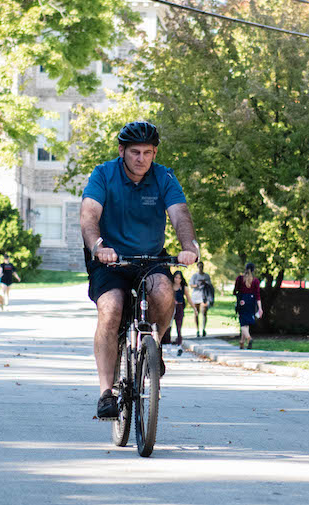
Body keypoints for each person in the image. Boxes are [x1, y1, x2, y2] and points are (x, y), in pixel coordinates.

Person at [80, 120, 199, 420]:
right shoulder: (103, 174)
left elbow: (180, 214)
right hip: (111, 258)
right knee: (111, 307)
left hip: (149, 256)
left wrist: (189, 247)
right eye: (135, 152)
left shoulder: (164, 178)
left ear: (154, 153)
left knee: (163, 292)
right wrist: (97, 246)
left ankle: (154, 346)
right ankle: (106, 392)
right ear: (122, 150)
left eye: (148, 152)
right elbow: (89, 215)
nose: (141, 158)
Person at [233, 262, 263, 350]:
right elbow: (258, 295)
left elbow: (235, 290)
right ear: (253, 270)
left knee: (242, 322)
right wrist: (260, 308)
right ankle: (242, 342)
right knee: (247, 322)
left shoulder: (240, 279)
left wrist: (237, 295)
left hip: (242, 300)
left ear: (245, 269)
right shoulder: (256, 281)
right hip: (252, 301)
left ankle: (249, 338)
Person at [190, 261, 213, 337]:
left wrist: (205, 283)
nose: (201, 268)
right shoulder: (194, 276)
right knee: (196, 313)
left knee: (204, 313)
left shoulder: (206, 276)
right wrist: (197, 285)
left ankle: (203, 329)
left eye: (202, 266)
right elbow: (191, 285)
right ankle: (197, 330)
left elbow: (210, 285)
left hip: (204, 296)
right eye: (199, 266)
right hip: (196, 296)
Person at [170, 270, 194, 346]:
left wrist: (194, 309)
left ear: (181, 279)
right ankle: (167, 339)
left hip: (179, 307)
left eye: (179, 278)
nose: (177, 279)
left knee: (179, 324)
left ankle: (179, 340)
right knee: (168, 324)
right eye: (176, 277)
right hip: (170, 307)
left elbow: (189, 298)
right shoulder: (170, 285)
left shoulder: (183, 287)